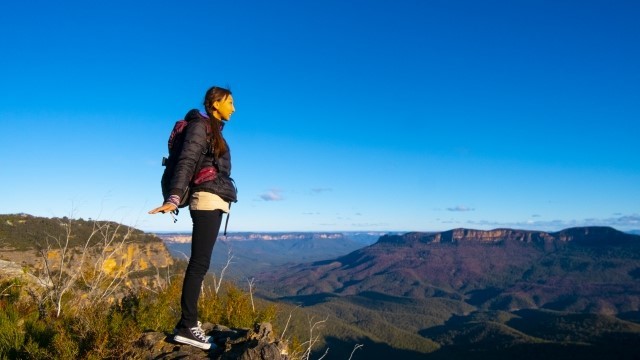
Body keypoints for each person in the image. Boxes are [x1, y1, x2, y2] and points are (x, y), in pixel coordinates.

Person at [149, 86, 237, 350]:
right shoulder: (200, 127)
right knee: (198, 264)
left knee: (201, 263)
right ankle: (187, 326)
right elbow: (186, 160)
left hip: (214, 198)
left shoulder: (214, 130)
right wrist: (174, 197)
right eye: (229, 102)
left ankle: (188, 324)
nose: (233, 108)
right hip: (206, 198)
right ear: (215, 103)